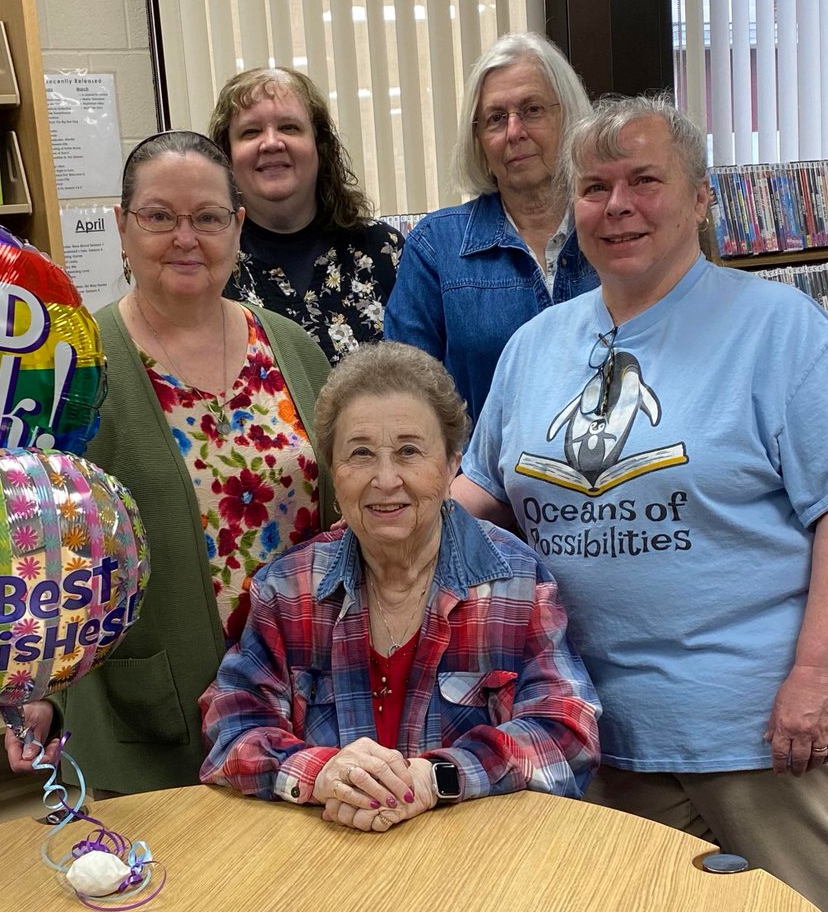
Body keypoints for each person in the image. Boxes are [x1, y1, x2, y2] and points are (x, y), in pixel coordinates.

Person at [451, 94, 828, 912]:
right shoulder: (537, 346)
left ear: (700, 199)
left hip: (762, 731)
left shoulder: (776, 328)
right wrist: (371, 537)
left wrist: (815, 676)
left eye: (645, 180)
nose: (618, 205)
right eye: (594, 187)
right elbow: (482, 493)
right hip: (601, 724)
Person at [3, 130, 336, 796]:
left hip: (310, 702)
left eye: (208, 217)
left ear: (237, 227)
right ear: (122, 226)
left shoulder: (294, 349)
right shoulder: (74, 368)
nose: (186, 237)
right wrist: (33, 689)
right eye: (160, 216)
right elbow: (34, 545)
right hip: (159, 710)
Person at [200, 341, 600, 831]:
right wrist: (321, 771)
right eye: (360, 454)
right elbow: (232, 727)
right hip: (327, 858)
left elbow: (567, 731)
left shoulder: (514, 580)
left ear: (453, 461)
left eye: (409, 451)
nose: (385, 479)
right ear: (332, 466)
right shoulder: (288, 588)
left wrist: (435, 778)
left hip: (475, 861)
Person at [385, 32, 599, 422]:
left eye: (532, 110)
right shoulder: (437, 247)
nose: (515, 132)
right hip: (483, 481)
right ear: (479, 140)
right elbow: (406, 401)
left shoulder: (616, 231)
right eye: (496, 118)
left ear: (568, 116)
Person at [209, 67, 403, 364]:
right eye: (251, 132)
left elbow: (423, 378)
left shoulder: (383, 250)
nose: (272, 143)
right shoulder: (208, 264)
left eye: (289, 127)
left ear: (319, 146)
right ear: (227, 156)